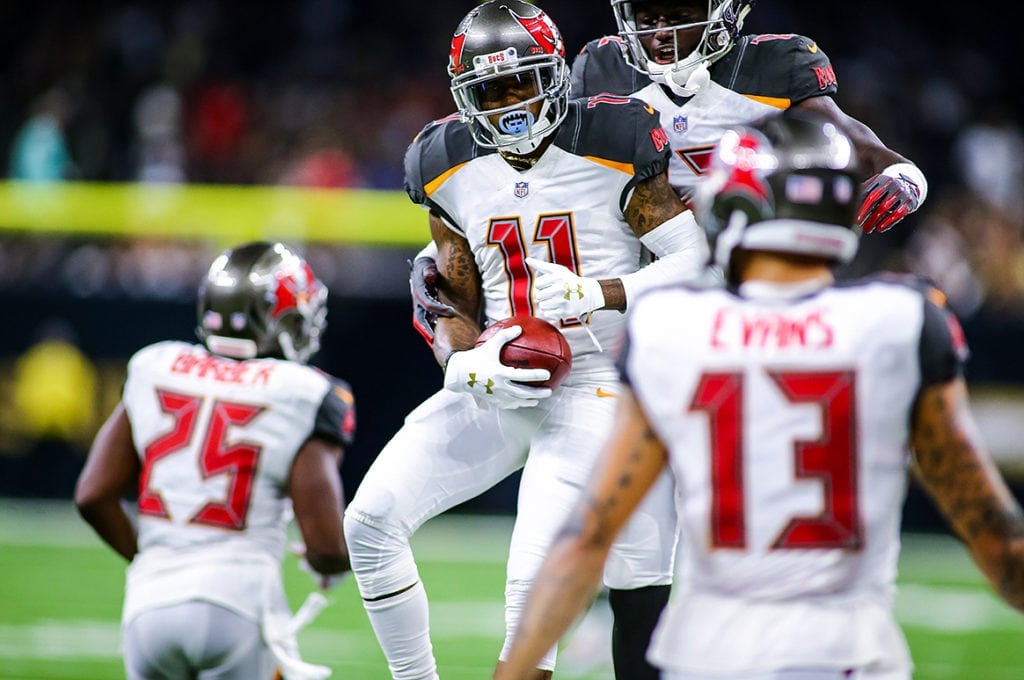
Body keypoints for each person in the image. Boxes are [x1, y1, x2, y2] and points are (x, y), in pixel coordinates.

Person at [494, 109, 1024, 679]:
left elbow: (587, 540)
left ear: (730, 210)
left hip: (709, 654)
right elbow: (998, 539)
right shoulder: (901, 321)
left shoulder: (671, 328)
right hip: (846, 655)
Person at [342, 2, 710, 678]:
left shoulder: (615, 134)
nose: (510, 102)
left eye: (524, 81)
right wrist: (464, 359)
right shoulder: (442, 157)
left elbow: (696, 262)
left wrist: (599, 293)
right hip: (504, 373)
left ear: (557, 75)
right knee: (367, 525)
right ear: (464, 96)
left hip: (598, 379)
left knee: (526, 596)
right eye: (490, 90)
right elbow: (450, 291)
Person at [410, 0, 929, 339]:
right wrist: (439, 251)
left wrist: (905, 177)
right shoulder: (602, 69)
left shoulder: (773, 68)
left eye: (678, 12)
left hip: (753, 269)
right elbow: (545, 172)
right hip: (653, 272)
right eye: (648, 16)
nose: (662, 32)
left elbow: (864, 150)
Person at [74, 241, 357, 680]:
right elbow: (326, 546)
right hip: (238, 603)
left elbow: (93, 496)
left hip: (148, 608)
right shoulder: (302, 391)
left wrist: (160, 561)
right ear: (280, 320)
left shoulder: (156, 364)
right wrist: (330, 565)